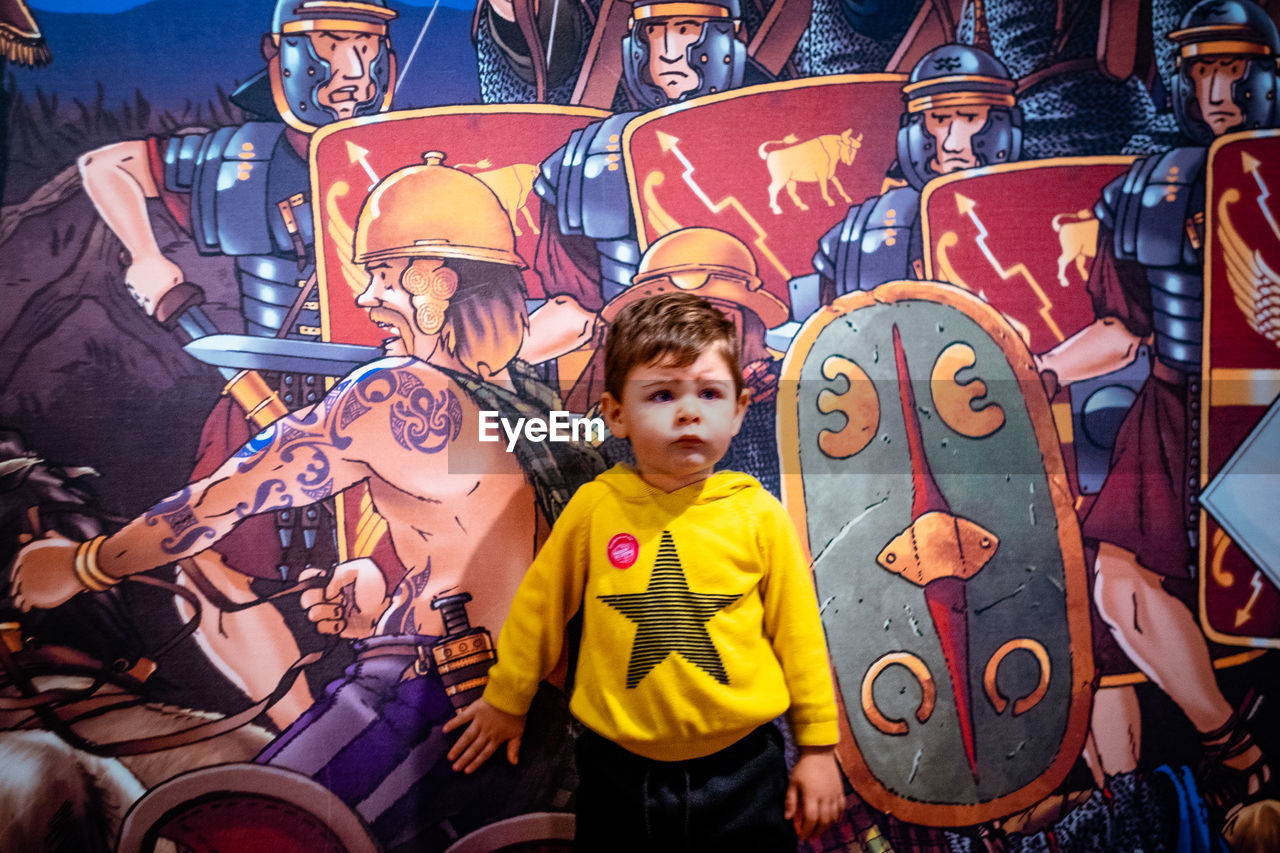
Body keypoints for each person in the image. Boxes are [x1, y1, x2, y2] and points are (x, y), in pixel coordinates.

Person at [12, 153, 603, 850]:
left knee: (229, 833)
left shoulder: (396, 394)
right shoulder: (537, 402)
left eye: (382, 274)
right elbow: (483, 524)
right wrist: (384, 582)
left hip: (426, 701)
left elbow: (218, 503)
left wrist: (84, 564)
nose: (366, 297)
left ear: (436, 281)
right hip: (541, 713)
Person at [74, 0, 399, 727]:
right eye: (330, 45)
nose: (351, 71)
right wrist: (149, 256)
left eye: (367, 46)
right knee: (210, 549)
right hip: (258, 392)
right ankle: (302, 733)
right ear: (280, 51)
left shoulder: (415, 157)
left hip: (392, 400)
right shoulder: (241, 156)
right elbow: (106, 166)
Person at [443, 291, 843, 848]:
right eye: (661, 394)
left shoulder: (759, 515)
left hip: (746, 767)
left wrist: (819, 749)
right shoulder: (595, 509)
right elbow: (539, 609)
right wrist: (508, 700)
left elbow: (800, 635)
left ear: (739, 409)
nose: (687, 411)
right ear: (616, 415)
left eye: (709, 393)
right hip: (616, 773)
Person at [1035, 0, 1277, 814]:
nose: (1217, 88)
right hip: (1177, 409)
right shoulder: (1148, 187)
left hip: (1267, 411)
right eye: (1203, 68)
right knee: (1119, 583)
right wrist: (1042, 374)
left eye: (1235, 68)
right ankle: (1231, 745)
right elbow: (1124, 327)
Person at [799, 42, 1022, 308]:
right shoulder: (850, 241)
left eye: (971, 118)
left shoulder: (1035, 225)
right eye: (939, 120)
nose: (952, 144)